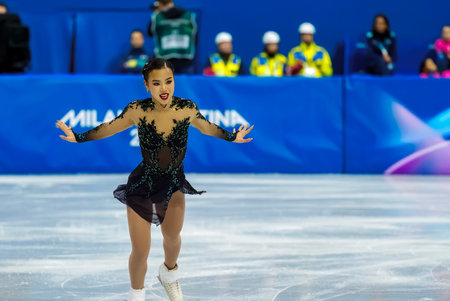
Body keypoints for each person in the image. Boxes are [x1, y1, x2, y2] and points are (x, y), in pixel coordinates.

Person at [55, 58, 254, 301]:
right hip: (142, 185)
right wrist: (79, 137)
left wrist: (232, 137)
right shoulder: (138, 110)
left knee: (172, 238)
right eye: (157, 83)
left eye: (168, 81)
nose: (164, 88)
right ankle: (136, 295)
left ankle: (169, 274)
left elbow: (208, 127)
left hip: (173, 184)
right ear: (147, 85)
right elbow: (109, 127)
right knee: (141, 250)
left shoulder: (186, 108)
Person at [147, 0, 197, 74]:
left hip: (165, 60)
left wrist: (156, 15)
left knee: (166, 85)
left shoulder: (157, 18)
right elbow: (195, 36)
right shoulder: (188, 16)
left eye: (158, 7)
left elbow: (150, 32)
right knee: (186, 85)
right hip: (186, 58)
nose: (157, 10)